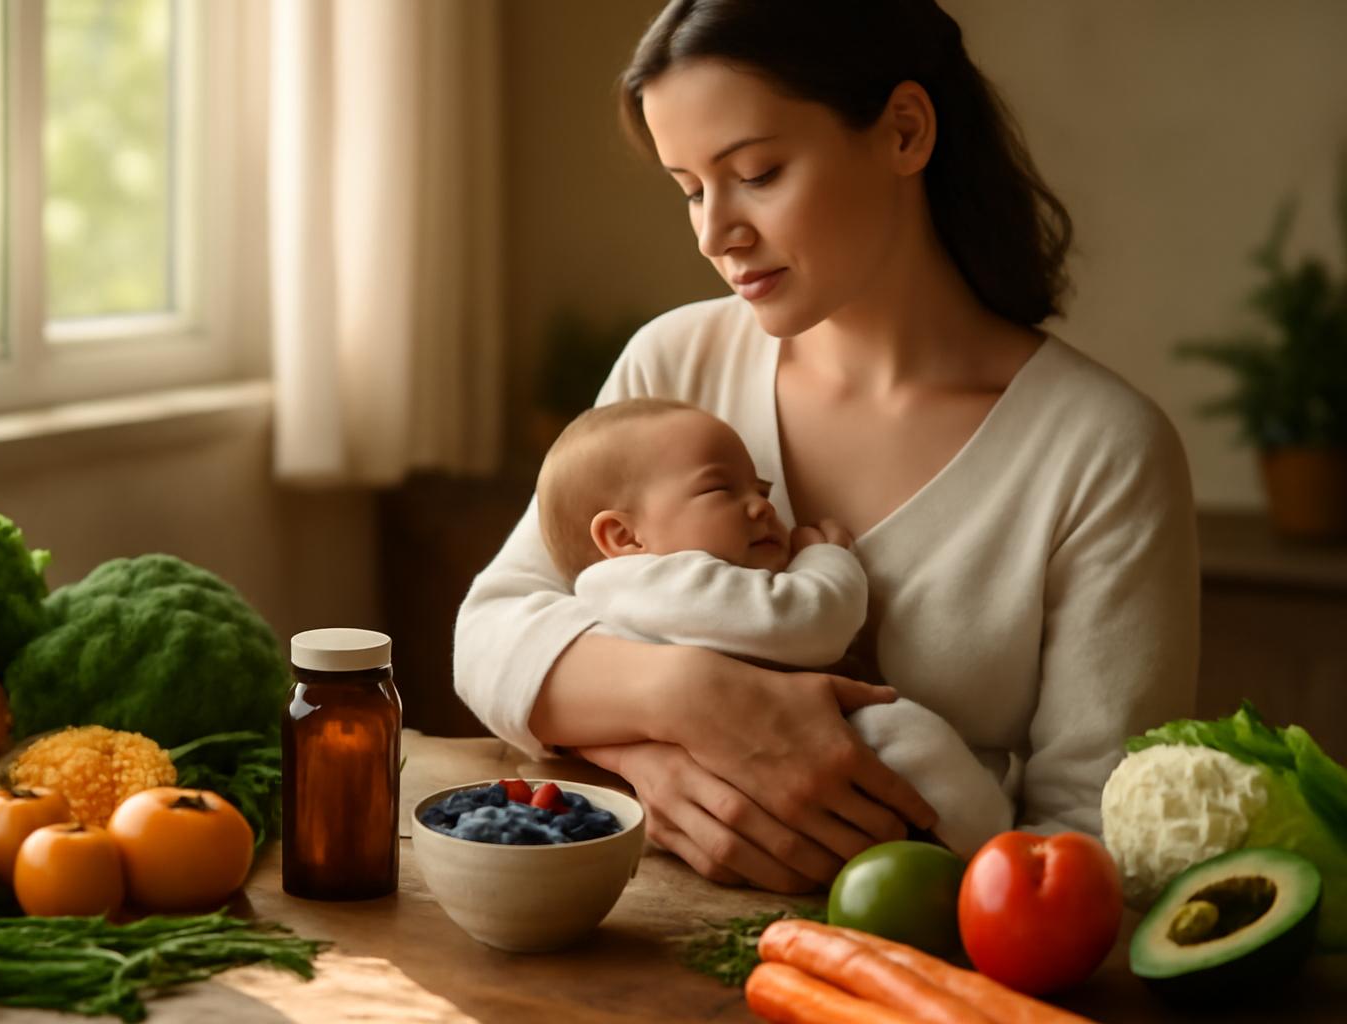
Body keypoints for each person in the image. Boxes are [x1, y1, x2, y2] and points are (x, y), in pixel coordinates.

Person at [455, 0, 1199, 893]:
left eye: (757, 173)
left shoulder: (1101, 451)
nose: (715, 233)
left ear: (905, 131)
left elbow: (1094, 835)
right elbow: (493, 633)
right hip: (645, 924)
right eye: (690, 188)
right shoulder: (674, 364)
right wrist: (684, 716)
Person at [536, 396, 1014, 856]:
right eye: (719, 490)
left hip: (736, 780)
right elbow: (808, 622)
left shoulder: (623, 596)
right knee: (904, 730)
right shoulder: (661, 581)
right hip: (767, 762)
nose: (763, 506)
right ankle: (992, 842)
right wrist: (827, 558)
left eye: (761, 491)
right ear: (624, 536)